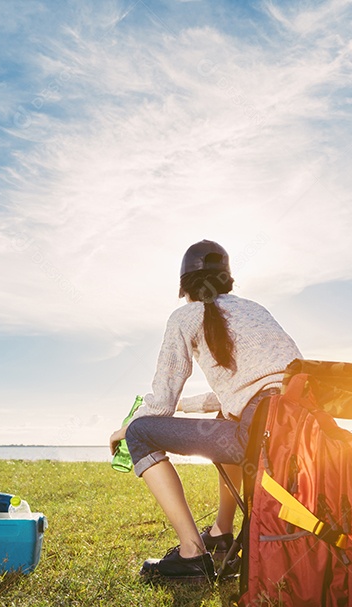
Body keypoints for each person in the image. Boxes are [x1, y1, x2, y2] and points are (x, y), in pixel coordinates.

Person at [109, 240, 303, 583]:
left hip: (259, 433)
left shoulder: (184, 317)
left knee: (141, 433)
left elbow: (161, 402)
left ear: (185, 287)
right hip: (297, 427)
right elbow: (248, 390)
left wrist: (125, 428)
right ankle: (221, 532)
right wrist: (186, 406)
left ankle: (192, 554)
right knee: (226, 416)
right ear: (227, 280)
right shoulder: (255, 309)